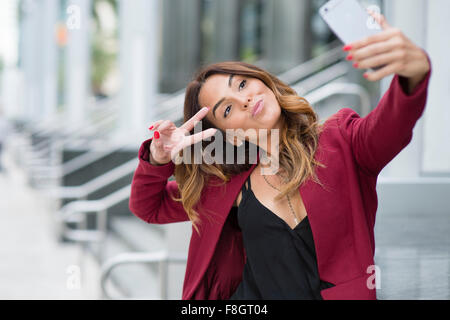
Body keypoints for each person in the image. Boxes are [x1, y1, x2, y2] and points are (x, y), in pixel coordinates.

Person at [129, 13, 432, 300]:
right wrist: (158, 156)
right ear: (230, 135)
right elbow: (148, 207)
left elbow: (392, 126)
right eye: (227, 109)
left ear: (264, 82)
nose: (244, 99)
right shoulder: (229, 186)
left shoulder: (342, 140)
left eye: (243, 84)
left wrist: (412, 74)